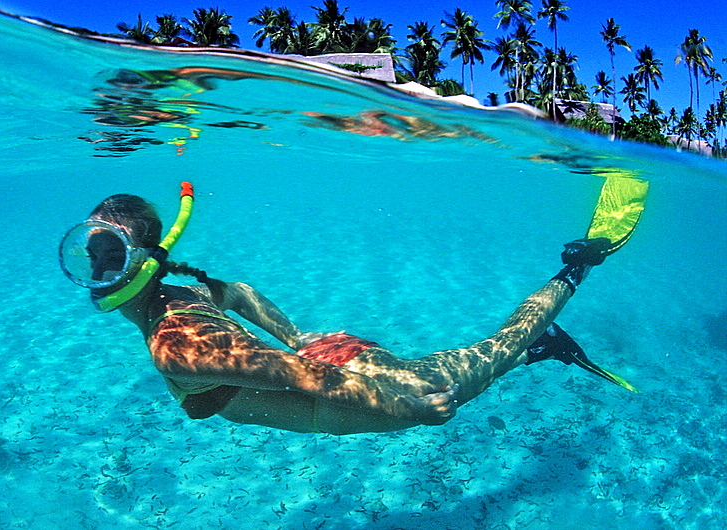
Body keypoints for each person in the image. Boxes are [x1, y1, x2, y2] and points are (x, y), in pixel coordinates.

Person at [58, 182, 632, 435]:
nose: (96, 275)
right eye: (91, 256)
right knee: (475, 361)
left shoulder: (173, 344)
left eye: (112, 256)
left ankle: (576, 270)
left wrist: (407, 409)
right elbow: (237, 292)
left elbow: (296, 373)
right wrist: (297, 331)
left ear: (145, 260)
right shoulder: (180, 295)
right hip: (335, 361)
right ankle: (542, 343)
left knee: (483, 363)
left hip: (344, 389)